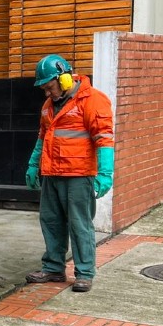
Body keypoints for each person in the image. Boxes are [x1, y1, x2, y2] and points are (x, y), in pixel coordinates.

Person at [24, 54, 115, 293]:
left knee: (79, 225)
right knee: (51, 222)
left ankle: (85, 273)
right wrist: (34, 165)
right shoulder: (48, 107)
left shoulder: (93, 100)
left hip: (79, 175)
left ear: (63, 78)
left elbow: (104, 139)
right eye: (43, 89)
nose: (47, 93)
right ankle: (54, 268)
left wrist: (105, 174)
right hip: (52, 174)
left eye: (49, 87)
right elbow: (42, 139)